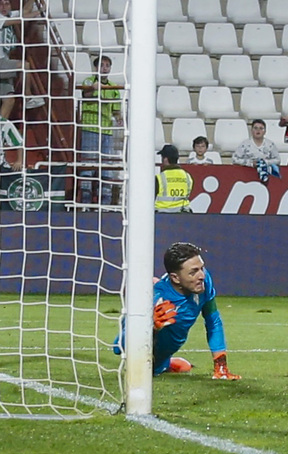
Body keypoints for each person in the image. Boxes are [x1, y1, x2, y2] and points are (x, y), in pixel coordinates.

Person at [113, 242, 239, 379]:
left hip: (165, 355)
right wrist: (148, 324)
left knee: (184, 366)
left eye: (201, 268)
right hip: (145, 365)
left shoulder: (203, 281)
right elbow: (117, 347)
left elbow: (213, 320)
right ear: (175, 278)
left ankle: (167, 364)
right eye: (193, 272)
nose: (201, 275)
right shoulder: (158, 300)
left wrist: (221, 366)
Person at [77, 54, 122, 206]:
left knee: (106, 167)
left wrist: (119, 117)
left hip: (107, 131)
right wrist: (92, 89)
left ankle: (105, 203)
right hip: (90, 129)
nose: (104, 68)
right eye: (101, 65)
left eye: (107, 66)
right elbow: (86, 94)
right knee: (88, 165)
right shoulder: (89, 81)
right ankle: (85, 201)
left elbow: (116, 109)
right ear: (95, 68)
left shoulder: (114, 88)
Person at [154, 144, 192, 214]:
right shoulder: (187, 176)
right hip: (183, 215)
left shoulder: (160, 178)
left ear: (165, 159)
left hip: (162, 216)